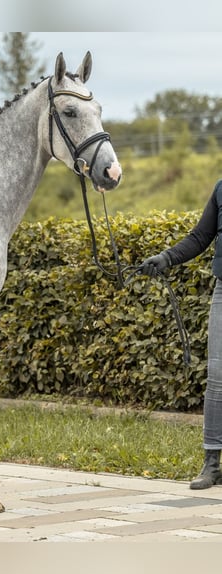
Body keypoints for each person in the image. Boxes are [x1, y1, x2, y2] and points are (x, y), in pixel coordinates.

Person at [142, 179, 222, 490]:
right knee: (217, 375)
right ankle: (212, 462)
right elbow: (201, 236)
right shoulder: (220, 189)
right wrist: (166, 258)